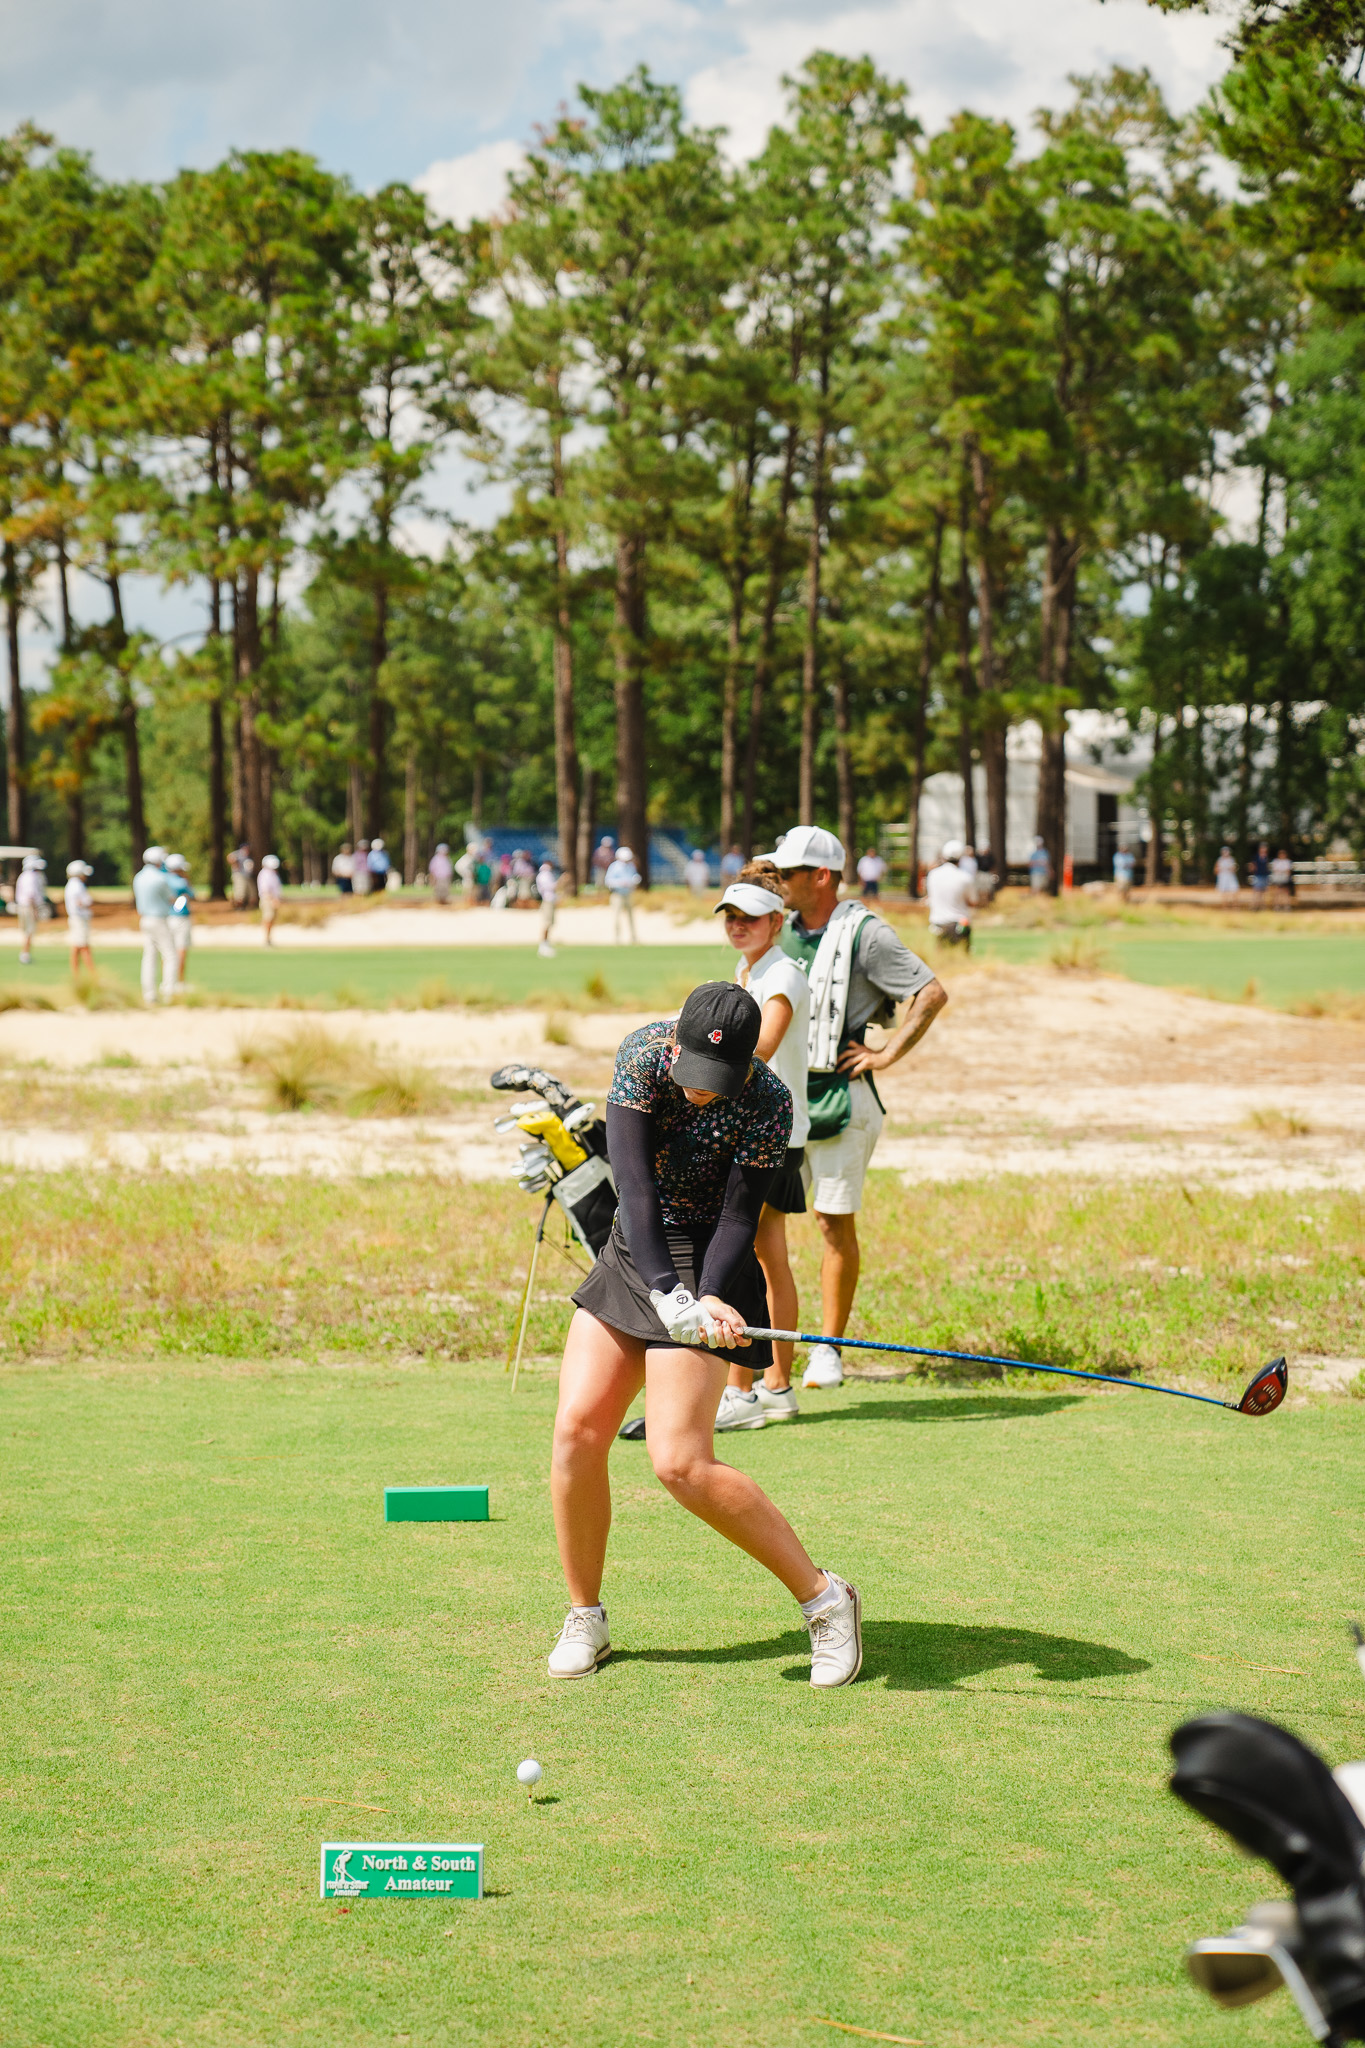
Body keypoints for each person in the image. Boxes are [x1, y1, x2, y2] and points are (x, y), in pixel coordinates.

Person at [548, 982, 863, 1688]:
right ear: (675, 1045)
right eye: (693, 1074)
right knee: (576, 1432)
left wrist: (710, 1292)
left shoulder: (767, 1100)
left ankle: (825, 1601)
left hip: (708, 1258)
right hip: (638, 1252)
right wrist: (668, 1293)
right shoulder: (641, 1057)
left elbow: (737, 1217)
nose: (701, 1091)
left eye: (718, 1081)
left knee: (679, 1463)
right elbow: (631, 1187)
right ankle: (584, 1615)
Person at [772, 824, 947, 1390]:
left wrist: (887, 1053)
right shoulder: (779, 928)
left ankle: (828, 1348)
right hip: (785, 1097)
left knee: (831, 1222)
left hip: (844, 1096)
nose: (779, 881)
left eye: (788, 872)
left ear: (820, 876)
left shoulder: (867, 935)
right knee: (761, 1226)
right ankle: (768, 1364)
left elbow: (931, 991)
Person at [713, 879, 810, 1431]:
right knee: (768, 1254)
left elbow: (763, 1046)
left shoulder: (782, 975)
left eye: (750, 916)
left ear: (777, 921)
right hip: (765, 1132)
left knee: (743, 1255)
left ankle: (743, 1391)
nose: (737, 924)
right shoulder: (749, 972)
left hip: (769, 1135)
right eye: (730, 915)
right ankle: (775, 1386)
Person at [134, 846, 179, 1004]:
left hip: (144, 919)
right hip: (159, 919)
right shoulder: (160, 878)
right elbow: (172, 899)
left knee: (149, 956)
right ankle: (169, 991)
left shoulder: (138, 877)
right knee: (171, 955)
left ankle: (149, 993)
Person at [925, 839, 974, 949]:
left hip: (937, 924)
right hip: (959, 925)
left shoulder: (933, 875)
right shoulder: (965, 877)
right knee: (961, 958)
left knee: (941, 958)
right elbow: (973, 902)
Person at [164, 854, 194, 983]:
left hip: (166, 918)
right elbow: (192, 895)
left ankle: (167, 980)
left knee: (167, 951)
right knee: (181, 949)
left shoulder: (163, 879)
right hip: (181, 917)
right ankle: (180, 981)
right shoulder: (182, 882)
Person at [14, 855, 47, 966]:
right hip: (28, 907)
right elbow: (31, 895)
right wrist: (35, 910)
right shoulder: (31, 877)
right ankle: (25, 954)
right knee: (29, 931)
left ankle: (25, 953)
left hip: (23, 906)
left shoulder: (23, 876)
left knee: (27, 931)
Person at [605, 844, 641, 945]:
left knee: (631, 917)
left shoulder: (631, 866)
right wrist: (620, 883)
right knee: (617, 917)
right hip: (617, 894)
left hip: (628, 893)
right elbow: (608, 881)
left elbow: (635, 876)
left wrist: (635, 880)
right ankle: (617, 938)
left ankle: (633, 937)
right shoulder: (614, 867)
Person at [64, 859, 94, 975]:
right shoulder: (76, 886)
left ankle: (76, 974)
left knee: (77, 946)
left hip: (77, 918)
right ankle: (93, 974)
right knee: (84, 946)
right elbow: (80, 902)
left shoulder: (74, 885)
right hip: (79, 919)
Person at [258, 853, 283, 944]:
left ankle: (269, 939)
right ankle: (266, 939)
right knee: (268, 918)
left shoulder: (273, 874)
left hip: (273, 899)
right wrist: (273, 899)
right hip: (268, 899)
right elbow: (265, 889)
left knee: (271, 919)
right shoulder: (265, 874)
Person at [536, 858, 559, 958]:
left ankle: (546, 944)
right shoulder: (545, 874)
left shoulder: (546, 874)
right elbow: (549, 887)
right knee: (547, 923)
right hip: (547, 900)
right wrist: (561, 881)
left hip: (550, 900)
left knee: (549, 923)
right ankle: (543, 945)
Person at [1251, 841, 1270, 906]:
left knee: (1263, 891)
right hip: (1258, 875)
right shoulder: (1256, 857)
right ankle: (1255, 905)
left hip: (1264, 875)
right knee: (1256, 890)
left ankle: (1262, 905)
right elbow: (1253, 866)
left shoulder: (1266, 857)